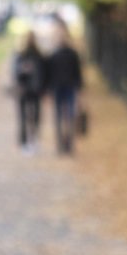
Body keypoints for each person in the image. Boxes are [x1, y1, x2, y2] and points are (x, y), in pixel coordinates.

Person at [45, 15, 84, 154]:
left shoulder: (72, 54)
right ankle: (60, 143)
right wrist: (48, 90)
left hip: (69, 87)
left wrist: (79, 91)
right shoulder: (53, 54)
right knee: (59, 117)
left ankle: (69, 143)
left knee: (69, 116)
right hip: (57, 88)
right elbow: (48, 74)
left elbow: (78, 73)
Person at [11, 29, 48, 154]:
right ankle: (25, 140)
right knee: (25, 116)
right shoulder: (23, 55)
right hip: (26, 89)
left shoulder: (38, 56)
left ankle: (31, 138)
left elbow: (44, 73)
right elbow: (16, 72)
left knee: (34, 116)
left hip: (34, 89)